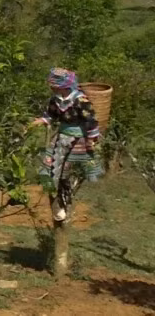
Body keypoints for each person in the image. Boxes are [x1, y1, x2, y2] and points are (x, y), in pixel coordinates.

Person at [30, 68, 102, 222]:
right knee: (50, 168)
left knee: (65, 173)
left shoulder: (80, 100)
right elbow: (51, 115)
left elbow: (90, 120)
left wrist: (91, 140)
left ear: (63, 85)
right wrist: (40, 121)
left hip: (79, 139)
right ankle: (56, 200)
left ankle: (64, 205)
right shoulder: (55, 100)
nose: (51, 87)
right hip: (62, 137)